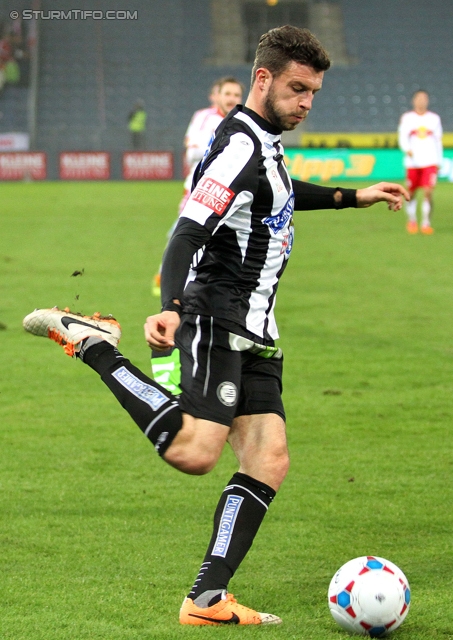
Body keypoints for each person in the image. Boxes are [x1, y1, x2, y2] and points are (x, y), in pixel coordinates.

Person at [23, 25, 409, 627]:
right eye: (297, 89)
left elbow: (277, 196)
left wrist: (349, 197)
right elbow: (188, 230)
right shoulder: (237, 145)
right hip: (216, 315)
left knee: (268, 458)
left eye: (314, 93)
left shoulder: (264, 143)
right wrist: (173, 304)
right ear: (263, 79)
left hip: (257, 327)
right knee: (197, 451)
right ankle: (96, 346)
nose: (307, 103)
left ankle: (205, 599)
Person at [152, 76, 244, 296]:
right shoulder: (205, 118)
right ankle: (167, 280)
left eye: (236, 95)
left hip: (228, 192)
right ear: (217, 96)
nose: (232, 99)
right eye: (227, 94)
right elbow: (192, 152)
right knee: (185, 236)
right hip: (198, 191)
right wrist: (224, 145)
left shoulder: (243, 120)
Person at [398, 90, 443, 234]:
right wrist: (407, 149)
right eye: (419, 98)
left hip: (430, 160)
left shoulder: (434, 119)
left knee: (428, 192)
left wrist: (439, 160)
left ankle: (425, 222)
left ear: (427, 101)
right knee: (410, 193)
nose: (421, 101)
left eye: (424, 98)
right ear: (414, 101)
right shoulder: (407, 118)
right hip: (413, 162)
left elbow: (438, 140)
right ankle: (412, 220)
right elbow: (402, 137)